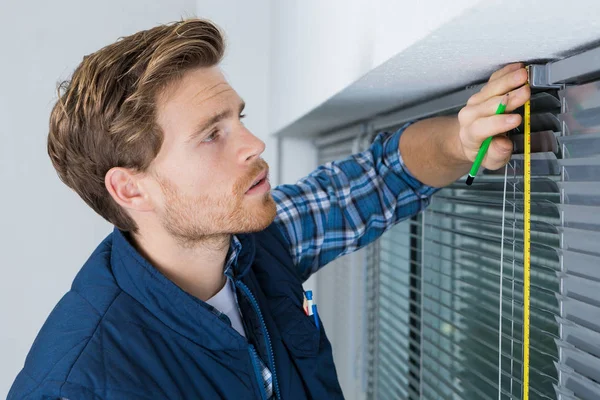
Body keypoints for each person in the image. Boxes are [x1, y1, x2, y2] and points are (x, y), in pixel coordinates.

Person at [8, 18, 529, 400]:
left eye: (239, 118)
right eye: (213, 135)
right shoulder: (78, 384)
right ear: (130, 190)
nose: (254, 143)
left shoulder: (253, 242)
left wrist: (462, 140)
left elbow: (385, 175)